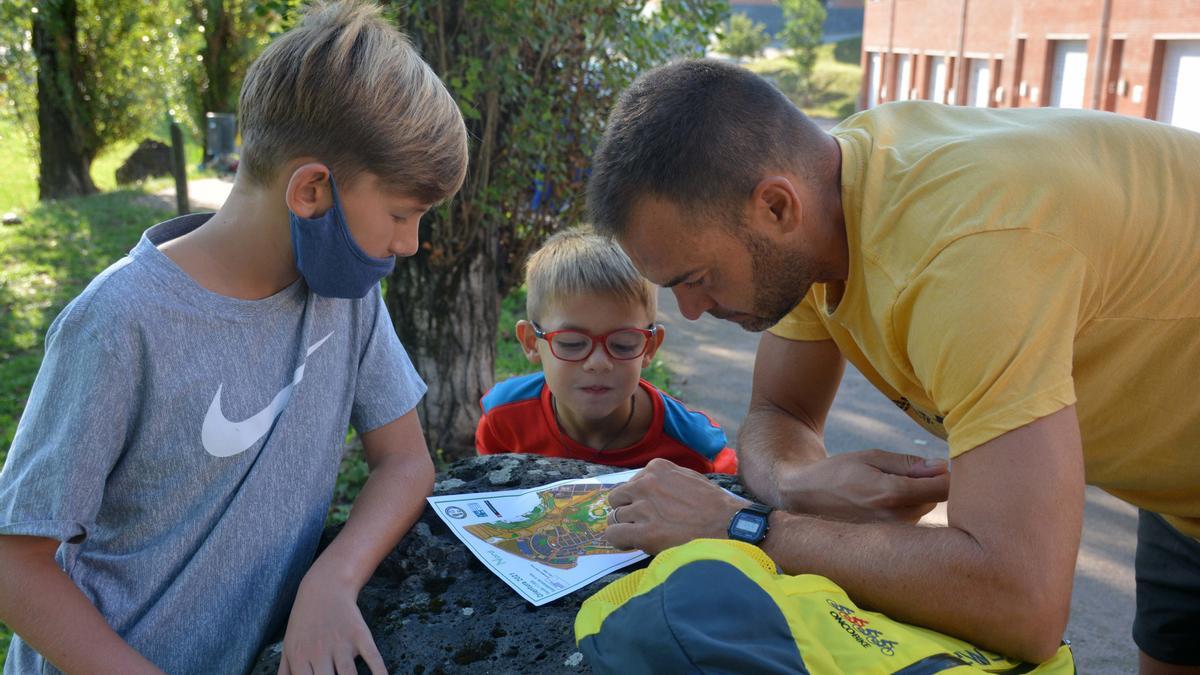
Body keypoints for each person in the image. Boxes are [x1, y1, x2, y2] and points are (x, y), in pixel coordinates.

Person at [587, 58, 1200, 671]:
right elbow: (779, 411)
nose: (689, 312)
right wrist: (796, 483)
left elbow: (1023, 604)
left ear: (776, 208)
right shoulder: (829, 200)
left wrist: (744, 525)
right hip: (1177, 488)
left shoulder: (967, 258)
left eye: (696, 279)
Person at [0, 3, 468, 673]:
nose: (409, 243)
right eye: (401, 213)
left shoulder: (351, 301)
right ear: (311, 191)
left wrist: (331, 580)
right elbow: (15, 564)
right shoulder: (117, 322)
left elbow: (406, 461)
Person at [476, 228, 738, 474]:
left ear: (650, 346)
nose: (599, 363)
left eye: (623, 343)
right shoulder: (504, 419)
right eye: (572, 343)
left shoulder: (696, 448)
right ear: (532, 342)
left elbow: (732, 503)